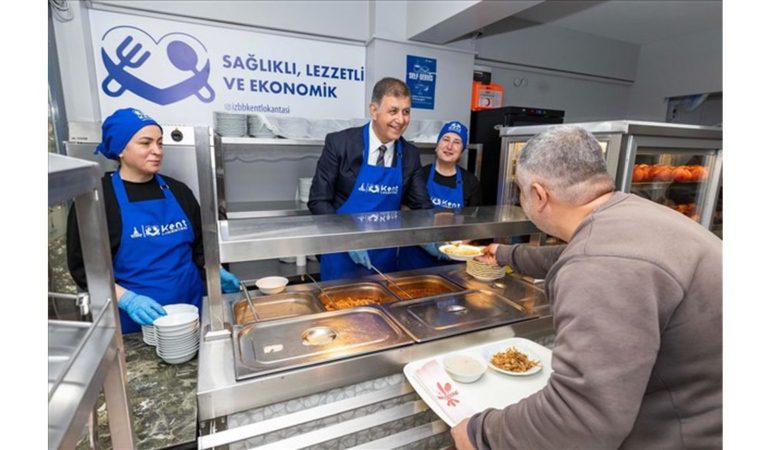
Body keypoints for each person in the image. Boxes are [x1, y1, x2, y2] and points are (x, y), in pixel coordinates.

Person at [450, 126, 722, 449]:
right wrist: (506, 255)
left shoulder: (599, 265)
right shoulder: (629, 213)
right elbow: (576, 252)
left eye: (520, 192)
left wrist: (480, 434)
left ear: (538, 195)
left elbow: (579, 420)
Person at [67, 108, 241, 334]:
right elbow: (85, 270)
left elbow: (201, 249)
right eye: (145, 143)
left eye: (160, 143)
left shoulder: (179, 191)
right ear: (120, 148)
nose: (157, 150)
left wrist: (216, 271)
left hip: (193, 311)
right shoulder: (97, 198)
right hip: (135, 324)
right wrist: (128, 300)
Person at [307, 77, 433, 280]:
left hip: (384, 258)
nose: (401, 120)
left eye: (406, 112)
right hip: (341, 251)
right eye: (393, 111)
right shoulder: (340, 143)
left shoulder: (410, 154)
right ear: (374, 111)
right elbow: (318, 200)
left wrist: (435, 237)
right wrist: (349, 238)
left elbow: (422, 206)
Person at [398, 120, 482, 270]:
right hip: (416, 257)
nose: (449, 146)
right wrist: (425, 242)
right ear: (437, 145)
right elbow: (405, 213)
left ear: (462, 150)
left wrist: (456, 248)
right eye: (446, 139)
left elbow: (475, 223)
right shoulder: (419, 175)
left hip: (452, 260)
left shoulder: (471, 182)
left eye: (457, 142)